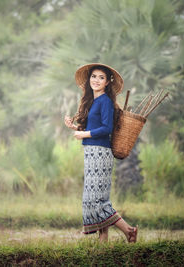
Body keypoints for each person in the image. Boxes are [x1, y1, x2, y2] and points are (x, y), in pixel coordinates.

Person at [64, 63, 138, 243]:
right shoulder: (95, 101)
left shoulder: (105, 101)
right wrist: (76, 127)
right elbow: (94, 127)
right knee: (99, 196)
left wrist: (83, 134)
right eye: (94, 76)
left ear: (107, 82)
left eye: (101, 77)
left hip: (100, 154)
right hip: (92, 152)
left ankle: (128, 230)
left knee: (96, 200)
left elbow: (106, 128)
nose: (96, 80)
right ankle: (103, 240)